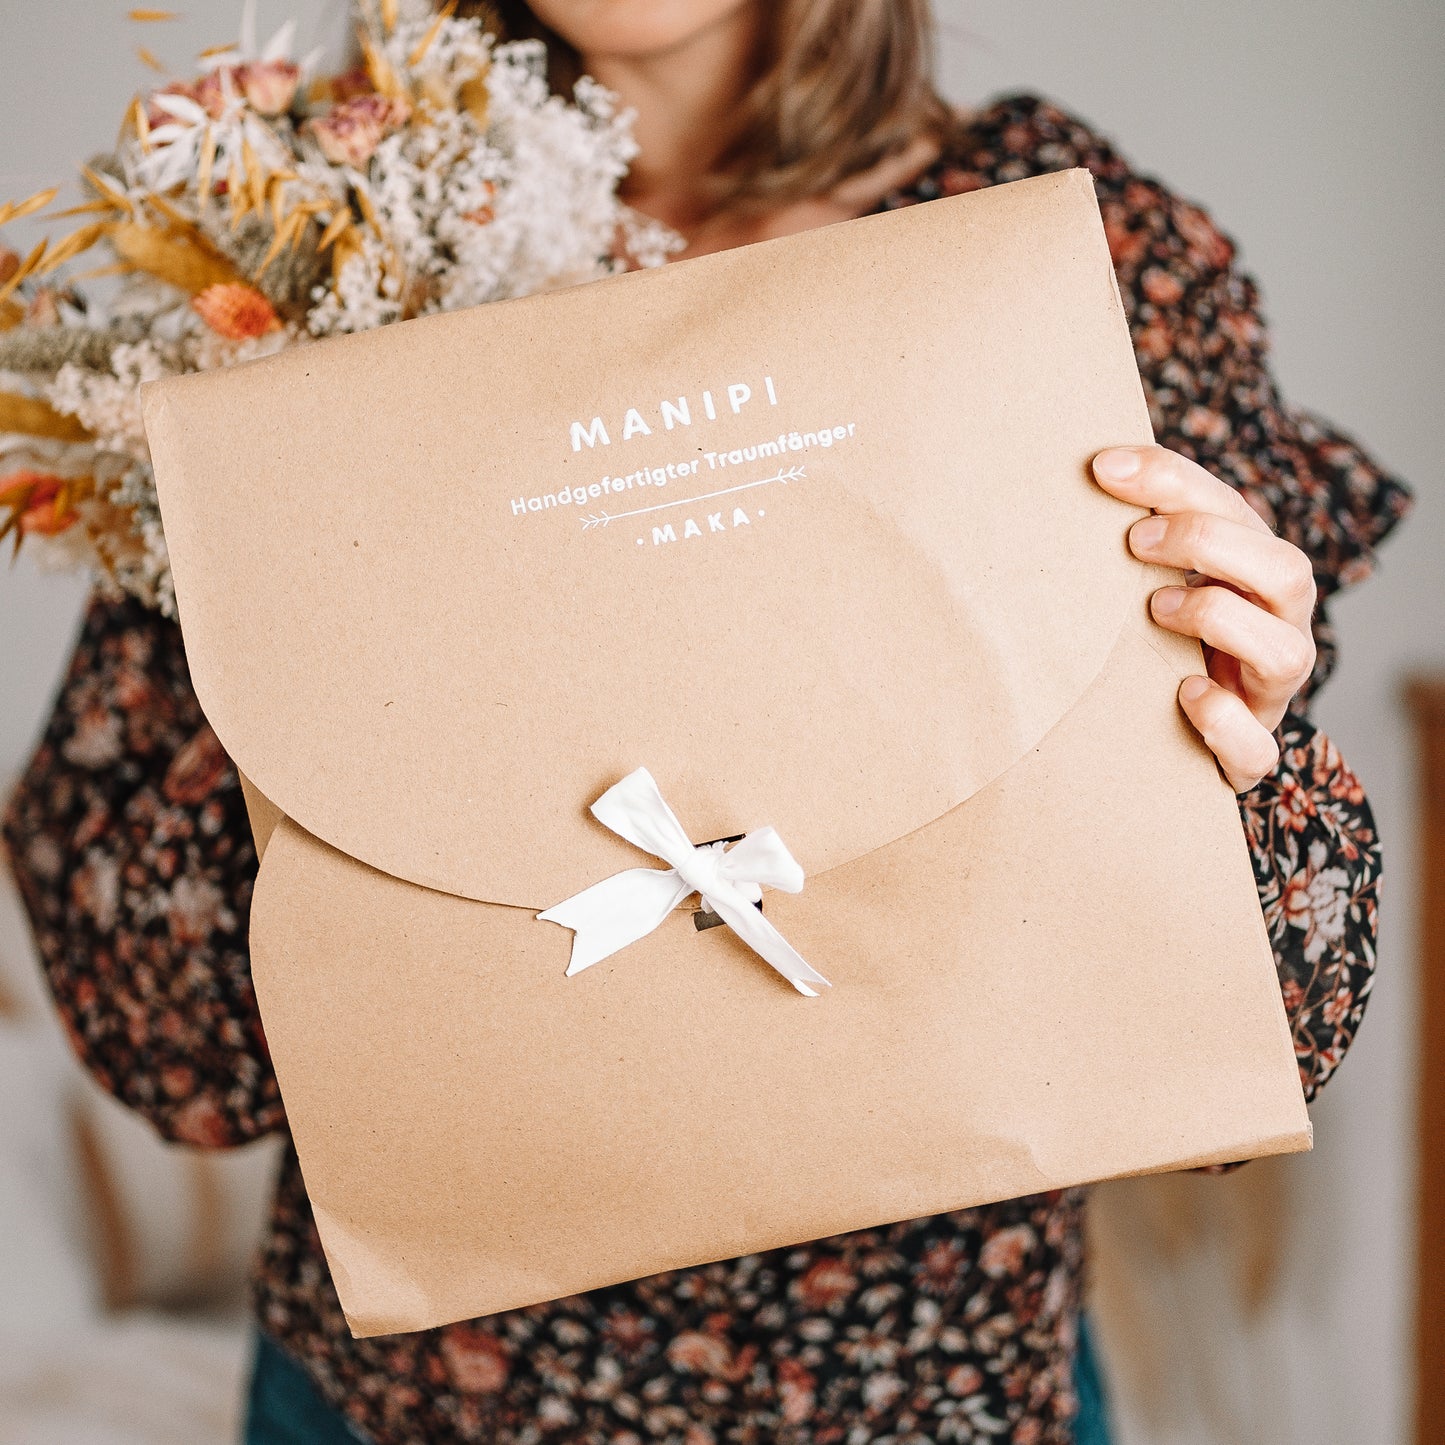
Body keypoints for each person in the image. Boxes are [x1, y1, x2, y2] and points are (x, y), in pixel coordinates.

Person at [1, 2, 1411, 1442]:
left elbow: (1246, 1026)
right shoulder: (317, 246)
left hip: (932, 1399)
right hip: (404, 1407)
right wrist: (249, 585)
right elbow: (177, 1049)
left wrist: (1247, 741)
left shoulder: (1055, 253)